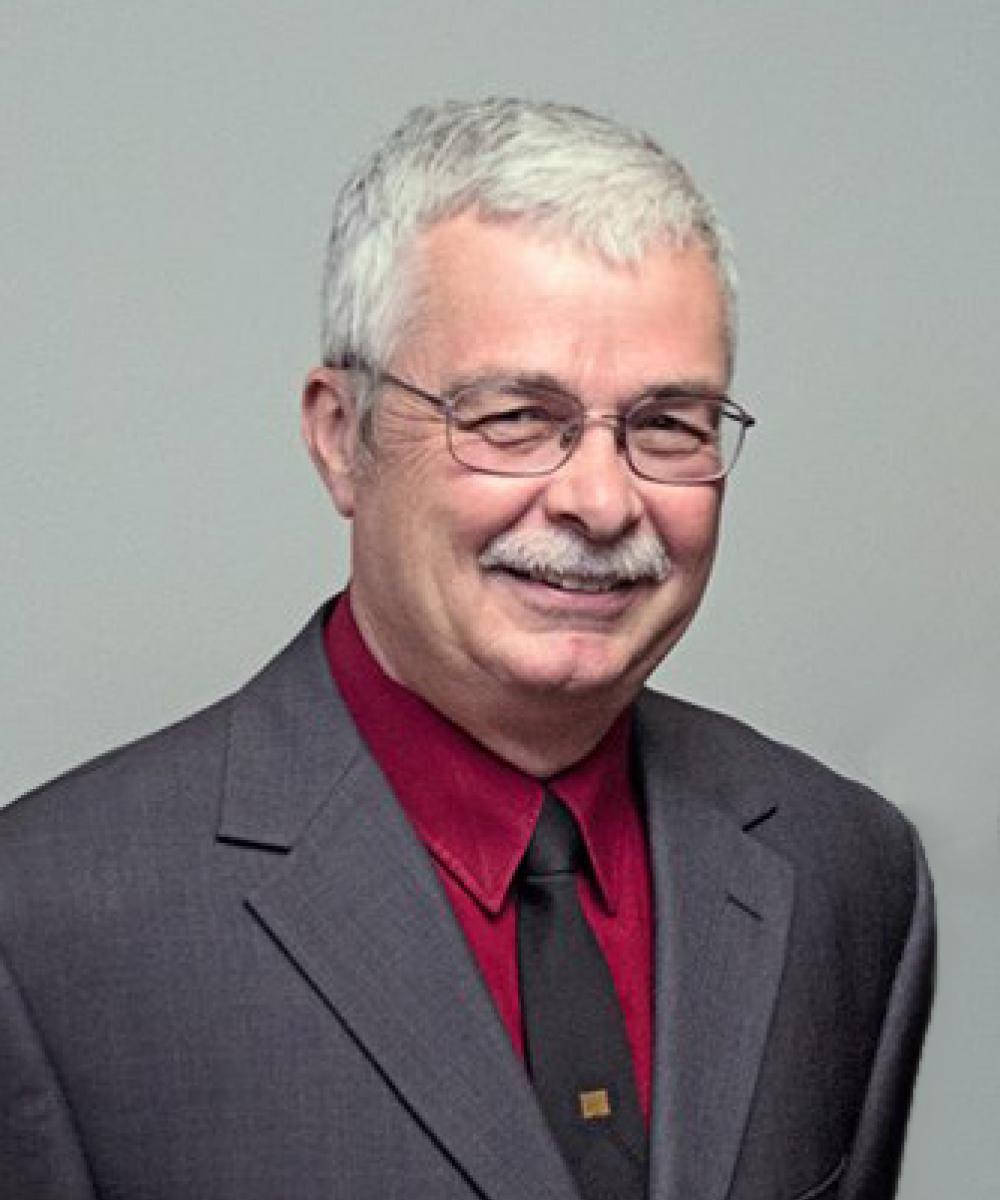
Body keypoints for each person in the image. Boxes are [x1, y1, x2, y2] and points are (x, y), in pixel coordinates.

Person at [0, 98, 933, 1200]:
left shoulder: (846, 871)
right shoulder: (44, 927)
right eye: (514, 418)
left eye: (667, 425)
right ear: (340, 438)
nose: (600, 501)